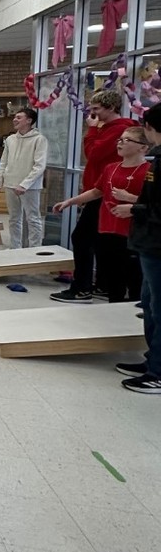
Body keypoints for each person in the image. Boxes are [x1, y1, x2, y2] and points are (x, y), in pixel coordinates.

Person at [51, 89, 136, 303]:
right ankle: (103, 285)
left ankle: (82, 288)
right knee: (100, 241)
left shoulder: (119, 129)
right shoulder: (108, 128)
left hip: (106, 193)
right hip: (98, 188)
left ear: (111, 108)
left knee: (81, 238)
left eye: (97, 109)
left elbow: (93, 154)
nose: (93, 113)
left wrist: (91, 131)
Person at [110, 102, 161, 393]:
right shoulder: (158, 159)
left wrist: (134, 209)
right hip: (148, 243)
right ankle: (152, 360)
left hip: (157, 242)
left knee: (158, 307)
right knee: (150, 307)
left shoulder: (156, 163)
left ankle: (158, 371)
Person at [0, 107, 48, 249]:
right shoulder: (10, 139)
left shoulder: (39, 139)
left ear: (29, 120)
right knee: (14, 219)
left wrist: (25, 184)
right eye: (15, 117)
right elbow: (3, 162)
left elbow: (40, 165)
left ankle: (35, 250)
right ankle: (15, 248)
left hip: (30, 187)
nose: (15, 119)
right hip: (10, 184)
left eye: (19, 117)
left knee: (33, 218)